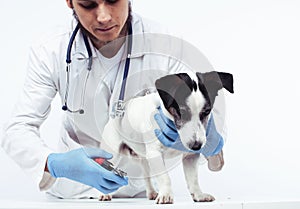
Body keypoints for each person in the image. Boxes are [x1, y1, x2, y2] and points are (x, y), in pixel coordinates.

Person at [1, 0, 225, 199]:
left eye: (113, 0)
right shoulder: (50, 50)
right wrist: (55, 164)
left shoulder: (166, 45)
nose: (104, 17)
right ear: (69, 2)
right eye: (88, 5)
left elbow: (198, 107)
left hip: (144, 193)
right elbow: (18, 128)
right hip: (75, 193)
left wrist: (210, 137)